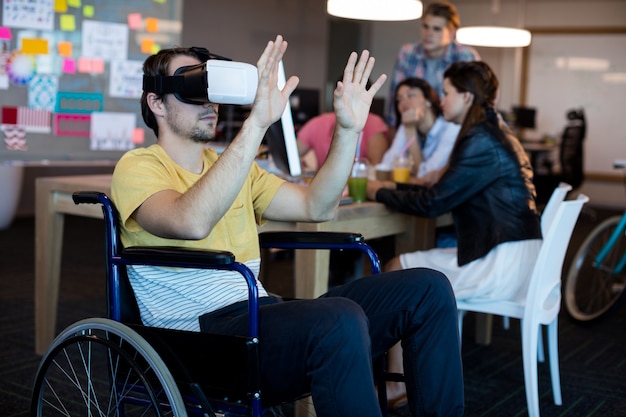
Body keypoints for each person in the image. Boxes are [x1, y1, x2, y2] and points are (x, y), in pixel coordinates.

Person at [111, 35, 464, 417]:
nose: (208, 100)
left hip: (259, 316)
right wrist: (257, 123)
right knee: (337, 320)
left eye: (210, 87)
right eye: (193, 86)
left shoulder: (232, 167)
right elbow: (191, 220)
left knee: (427, 288)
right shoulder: (138, 166)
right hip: (201, 342)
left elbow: (319, 205)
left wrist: (347, 130)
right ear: (156, 102)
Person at [368, 60, 542, 408]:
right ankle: (399, 376)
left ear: (466, 96)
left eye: (446, 93)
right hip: (509, 252)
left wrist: (378, 191)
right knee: (401, 263)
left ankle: (395, 385)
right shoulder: (490, 133)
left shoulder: (479, 139)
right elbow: (447, 189)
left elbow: (434, 203)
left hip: (498, 263)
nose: (441, 100)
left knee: (397, 271)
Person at [386, 0, 480, 128]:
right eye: (425, 26)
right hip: (413, 127)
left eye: (437, 29)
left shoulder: (466, 56)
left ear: (451, 33)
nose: (429, 34)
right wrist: (394, 129)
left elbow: (477, 102)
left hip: (454, 131)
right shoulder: (407, 54)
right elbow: (395, 101)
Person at [380, 77, 459, 186]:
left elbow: (425, 176)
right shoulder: (406, 126)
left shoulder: (450, 127)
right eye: (399, 99)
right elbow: (386, 165)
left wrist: (410, 131)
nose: (404, 103)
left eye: (410, 95)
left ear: (428, 100)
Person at [297, 111, 388, 170]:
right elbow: (291, 155)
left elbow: (376, 168)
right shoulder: (319, 123)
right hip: (324, 189)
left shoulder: (374, 125)